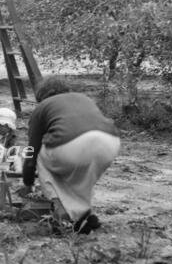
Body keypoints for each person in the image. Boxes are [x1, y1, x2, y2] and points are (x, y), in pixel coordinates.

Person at [19, 78, 121, 234]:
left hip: (72, 143)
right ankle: (84, 216)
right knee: (79, 175)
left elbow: (32, 149)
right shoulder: (83, 98)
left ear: (41, 96)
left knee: (42, 154)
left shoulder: (42, 107)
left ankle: (62, 212)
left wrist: (28, 181)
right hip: (110, 142)